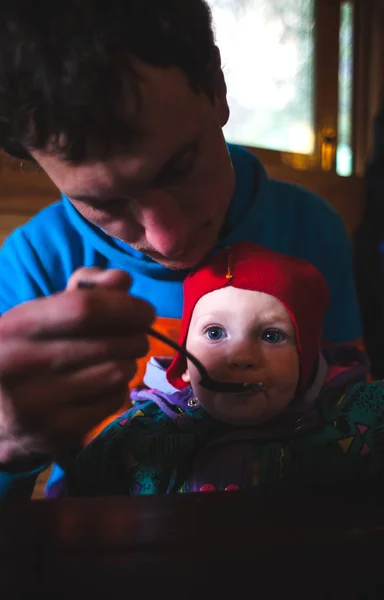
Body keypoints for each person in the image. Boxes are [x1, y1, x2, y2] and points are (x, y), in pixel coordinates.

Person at [0, 0, 361, 499]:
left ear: (216, 88)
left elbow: (354, 419)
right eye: (102, 203)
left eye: (179, 168)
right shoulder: (35, 266)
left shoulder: (312, 230)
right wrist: (11, 440)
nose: (167, 239)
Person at [58, 241, 384, 497]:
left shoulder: (365, 416)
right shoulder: (136, 434)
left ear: (306, 359)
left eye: (271, 335)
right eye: (215, 333)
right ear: (185, 364)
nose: (239, 356)